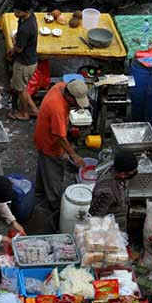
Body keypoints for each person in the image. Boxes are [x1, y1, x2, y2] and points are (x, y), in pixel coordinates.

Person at [34, 79, 89, 211]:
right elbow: (60, 136)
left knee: (44, 165)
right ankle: (55, 204)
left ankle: (39, 190)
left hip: (42, 135)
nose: (77, 105)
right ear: (69, 96)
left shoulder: (61, 86)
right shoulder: (57, 108)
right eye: (76, 102)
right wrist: (73, 155)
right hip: (50, 143)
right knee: (54, 172)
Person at [7, 0, 39, 121]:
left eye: (18, 12)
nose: (15, 14)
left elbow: (19, 49)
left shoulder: (26, 28)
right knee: (22, 87)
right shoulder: (29, 17)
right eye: (15, 10)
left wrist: (14, 44)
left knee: (20, 90)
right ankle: (34, 110)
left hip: (24, 63)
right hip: (30, 59)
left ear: (26, 11)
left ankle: (24, 113)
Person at [89, 151, 138, 232]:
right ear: (122, 174)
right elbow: (95, 216)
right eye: (132, 173)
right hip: (111, 229)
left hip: (120, 220)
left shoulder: (116, 171)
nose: (134, 174)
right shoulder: (106, 191)